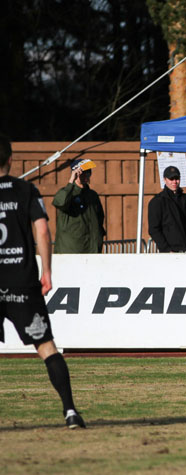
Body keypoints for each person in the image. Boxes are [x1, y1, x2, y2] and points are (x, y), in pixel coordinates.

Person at [0, 134, 85, 429]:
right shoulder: (25, 190)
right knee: (46, 347)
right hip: (22, 281)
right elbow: (43, 230)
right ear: (10, 159)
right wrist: (46, 271)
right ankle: (70, 411)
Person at [52, 158, 106, 253]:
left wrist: (99, 236)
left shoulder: (92, 195)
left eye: (89, 172)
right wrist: (71, 182)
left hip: (91, 249)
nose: (87, 175)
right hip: (71, 250)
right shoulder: (67, 192)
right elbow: (60, 202)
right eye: (83, 172)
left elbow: (100, 217)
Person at [148, 166, 186, 252]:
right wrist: (167, 250)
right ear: (165, 180)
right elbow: (154, 229)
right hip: (171, 251)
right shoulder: (157, 201)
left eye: (177, 179)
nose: (174, 182)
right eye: (171, 179)